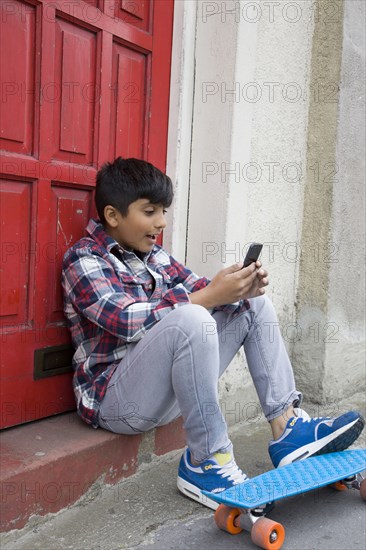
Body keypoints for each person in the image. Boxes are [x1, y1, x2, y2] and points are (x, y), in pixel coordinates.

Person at [61, 157, 364, 510]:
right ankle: (206, 460)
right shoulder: (84, 259)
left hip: (164, 394)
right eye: (150, 211)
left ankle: (287, 429)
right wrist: (207, 297)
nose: (160, 222)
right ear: (113, 216)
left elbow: (199, 289)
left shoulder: (154, 256)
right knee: (193, 316)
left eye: (163, 211)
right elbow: (125, 320)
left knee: (252, 308)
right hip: (117, 403)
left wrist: (237, 289)